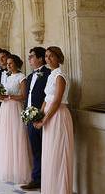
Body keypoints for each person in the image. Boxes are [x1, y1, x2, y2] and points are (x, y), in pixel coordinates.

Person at [34, 47, 74, 194]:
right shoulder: (51, 75)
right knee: (50, 154)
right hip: (49, 116)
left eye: (52, 56)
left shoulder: (60, 76)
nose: (48, 59)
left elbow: (56, 101)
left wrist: (44, 120)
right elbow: (46, 99)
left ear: (59, 58)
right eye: (46, 56)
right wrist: (37, 115)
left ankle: (61, 190)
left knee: (59, 154)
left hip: (58, 116)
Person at [0, 54, 32, 184]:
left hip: (15, 108)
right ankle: (8, 169)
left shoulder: (22, 77)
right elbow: (5, 92)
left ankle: (20, 170)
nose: (8, 65)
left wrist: (9, 97)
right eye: (7, 63)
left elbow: (23, 96)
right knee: (6, 137)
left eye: (10, 63)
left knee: (17, 136)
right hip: (5, 109)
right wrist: (0, 97)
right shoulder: (8, 76)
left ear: (16, 63)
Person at [21, 47, 51, 191]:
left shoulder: (49, 74)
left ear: (40, 58)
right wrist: (26, 114)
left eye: (32, 56)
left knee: (47, 150)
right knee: (35, 150)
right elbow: (27, 97)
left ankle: (48, 180)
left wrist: (41, 115)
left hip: (45, 118)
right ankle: (36, 179)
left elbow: (49, 98)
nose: (29, 59)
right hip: (30, 119)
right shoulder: (29, 76)